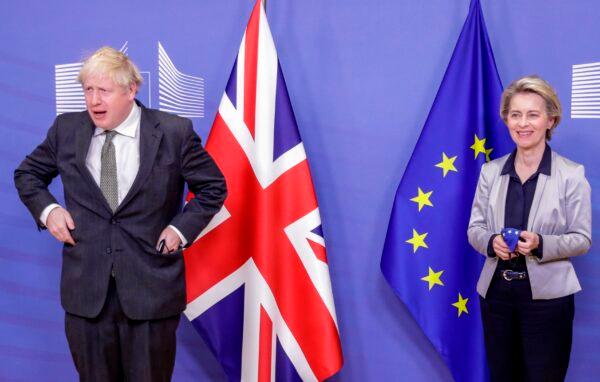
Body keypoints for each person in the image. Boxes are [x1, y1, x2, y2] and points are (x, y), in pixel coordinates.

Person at [14, 46, 227, 381]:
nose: (94, 101)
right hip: (86, 292)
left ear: (131, 90)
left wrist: (180, 230)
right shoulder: (66, 130)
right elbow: (27, 175)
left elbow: (213, 187)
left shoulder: (173, 132)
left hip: (151, 289)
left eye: (104, 91)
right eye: (88, 90)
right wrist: (49, 210)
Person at [467, 75, 592, 382]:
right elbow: (475, 228)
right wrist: (491, 241)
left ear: (551, 120)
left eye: (533, 114)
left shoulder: (571, 174)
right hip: (496, 294)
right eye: (515, 114)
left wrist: (541, 244)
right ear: (506, 119)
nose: (523, 123)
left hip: (549, 301)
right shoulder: (490, 171)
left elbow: (582, 238)